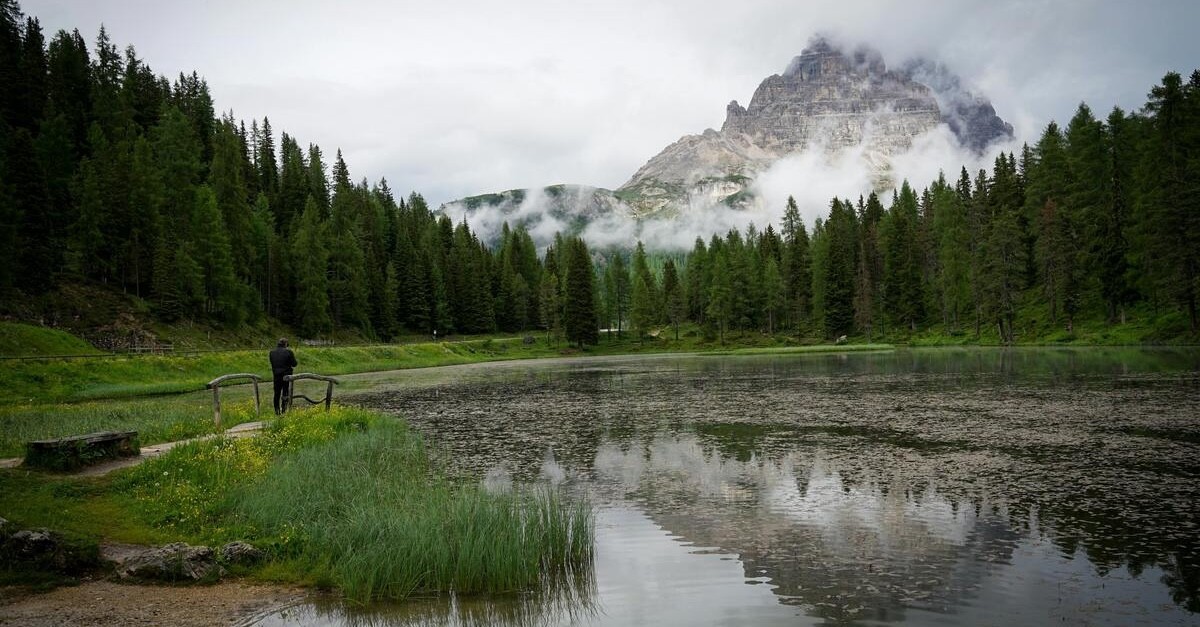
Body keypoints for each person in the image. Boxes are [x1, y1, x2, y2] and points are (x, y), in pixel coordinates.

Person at [269, 338, 298, 415]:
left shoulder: (272, 352)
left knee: (276, 393)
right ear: (286, 344)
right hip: (286, 375)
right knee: (285, 393)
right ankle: (284, 411)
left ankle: (277, 412)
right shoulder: (288, 352)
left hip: (276, 375)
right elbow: (294, 364)